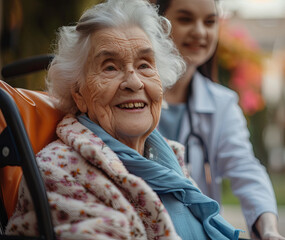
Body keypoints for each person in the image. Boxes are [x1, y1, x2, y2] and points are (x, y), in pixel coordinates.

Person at [5, 0, 243, 239]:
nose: (134, 82)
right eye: (110, 68)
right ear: (78, 94)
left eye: (144, 65)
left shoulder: (166, 157)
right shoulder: (60, 173)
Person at [154, 0, 285, 239]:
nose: (200, 31)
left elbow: (245, 169)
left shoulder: (222, 104)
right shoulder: (130, 94)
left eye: (210, 22)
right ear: (157, 22)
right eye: (185, 19)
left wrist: (269, 230)